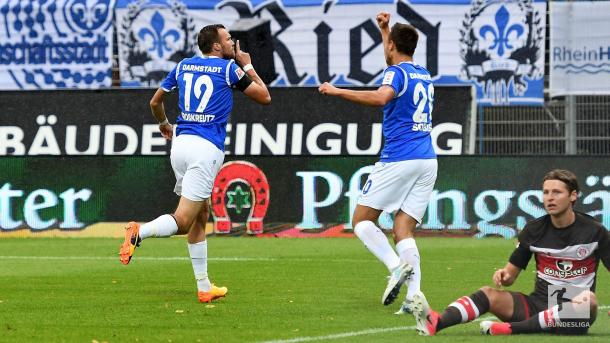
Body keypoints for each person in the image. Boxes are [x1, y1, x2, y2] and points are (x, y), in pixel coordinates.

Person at [118, 24, 271, 303]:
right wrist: (247, 65)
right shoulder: (229, 69)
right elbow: (265, 96)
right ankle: (140, 231)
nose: (232, 43)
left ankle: (204, 287)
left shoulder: (184, 66)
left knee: (201, 214)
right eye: (227, 39)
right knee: (185, 220)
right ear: (216, 46)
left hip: (181, 144)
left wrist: (164, 123)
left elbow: (155, 102)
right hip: (205, 148)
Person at [318, 11, 437, 325]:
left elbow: (383, 96)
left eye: (388, 43)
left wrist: (337, 91)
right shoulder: (422, 73)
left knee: (361, 221)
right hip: (428, 159)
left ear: (393, 47)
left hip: (399, 157)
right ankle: (414, 297)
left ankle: (395, 266)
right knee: (403, 229)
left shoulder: (396, 75)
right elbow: (393, 66)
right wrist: (386, 29)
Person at [417, 169, 610, 336]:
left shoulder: (595, 231)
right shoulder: (534, 230)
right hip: (538, 305)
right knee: (488, 294)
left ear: (573, 196)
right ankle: (437, 322)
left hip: (574, 315)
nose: (549, 197)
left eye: (557, 192)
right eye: (546, 192)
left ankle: (512, 329)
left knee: (589, 301)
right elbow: (510, 275)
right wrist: (503, 275)